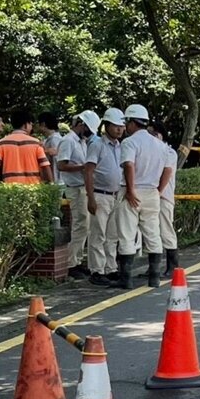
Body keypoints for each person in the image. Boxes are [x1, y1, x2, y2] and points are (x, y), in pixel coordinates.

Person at [112, 103, 170, 288]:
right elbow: (167, 169)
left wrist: (130, 190)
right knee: (152, 233)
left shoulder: (130, 142)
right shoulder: (160, 145)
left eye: (126, 123)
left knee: (127, 233)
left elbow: (129, 165)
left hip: (133, 190)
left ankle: (126, 279)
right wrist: (159, 190)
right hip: (152, 191)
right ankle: (154, 277)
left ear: (131, 122)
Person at [85, 108, 126, 286]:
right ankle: (97, 270)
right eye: (115, 126)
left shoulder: (120, 146)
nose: (119, 129)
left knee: (112, 235)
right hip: (100, 194)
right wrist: (91, 198)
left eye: (121, 126)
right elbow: (88, 171)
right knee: (98, 234)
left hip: (115, 195)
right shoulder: (97, 145)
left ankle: (111, 268)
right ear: (107, 126)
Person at [57, 110, 97, 275]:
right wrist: (83, 167)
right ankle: (72, 263)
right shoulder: (68, 141)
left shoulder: (81, 141)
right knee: (80, 225)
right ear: (81, 125)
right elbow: (61, 165)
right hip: (75, 187)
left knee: (84, 226)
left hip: (83, 187)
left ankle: (78, 260)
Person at [147, 120, 182, 274]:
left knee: (166, 230)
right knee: (150, 232)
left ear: (162, 135)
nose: (151, 137)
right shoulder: (150, 151)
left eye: (154, 134)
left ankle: (173, 265)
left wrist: (158, 192)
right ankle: (152, 267)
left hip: (163, 197)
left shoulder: (169, 152)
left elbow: (165, 173)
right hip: (150, 197)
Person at [0, 108, 53, 184]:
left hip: (10, 187)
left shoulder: (2, 143)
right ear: (25, 125)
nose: (31, 127)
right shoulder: (35, 143)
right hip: (33, 187)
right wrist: (50, 183)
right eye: (30, 124)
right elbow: (45, 166)